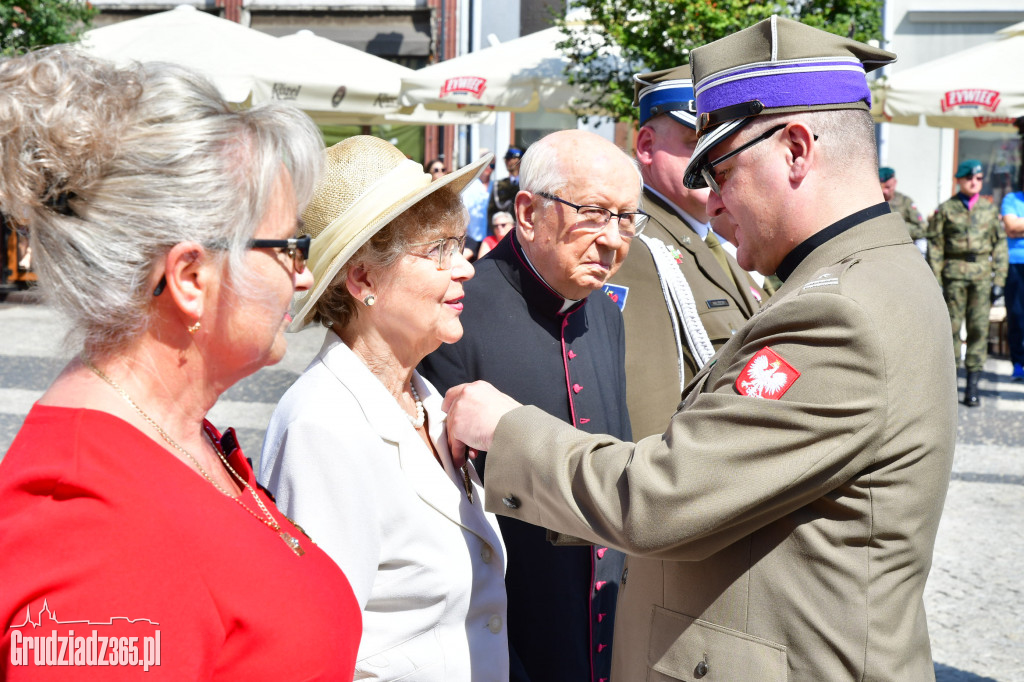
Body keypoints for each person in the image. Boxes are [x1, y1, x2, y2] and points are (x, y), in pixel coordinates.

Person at [441, 16, 957, 682]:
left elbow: (662, 498)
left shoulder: (838, 311)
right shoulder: (871, 275)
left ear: (796, 149)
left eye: (721, 170)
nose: (708, 204)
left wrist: (503, 431)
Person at [0, 47, 360, 679]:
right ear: (192, 275)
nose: (302, 279)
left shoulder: (174, 434)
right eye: (291, 247)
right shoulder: (88, 525)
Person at [259, 136, 507, 682]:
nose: (465, 267)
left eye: (461, 245)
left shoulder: (427, 401)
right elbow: (313, 647)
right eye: (440, 249)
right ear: (364, 279)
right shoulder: (322, 427)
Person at [421, 129, 642, 682]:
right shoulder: (458, 313)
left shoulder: (605, 313)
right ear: (526, 211)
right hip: (503, 638)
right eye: (593, 213)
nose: (613, 239)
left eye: (628, 218)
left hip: (601, 629)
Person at [604, 70, 766, 439]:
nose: (712, 158)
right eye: (696, 141)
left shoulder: (706, 241)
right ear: (645, 146)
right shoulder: (636, 248)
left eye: (722, 142)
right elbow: (648, 412)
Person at [929, 159, 1008, 406]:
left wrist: (1000, 279)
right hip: (954, 275)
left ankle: (971, 387)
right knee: (951, 329)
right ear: (960, 180)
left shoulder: (989, 210)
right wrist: (935, 279)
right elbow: (936, 246)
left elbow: (1000, 244)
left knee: (978, 329)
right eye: (970, 178)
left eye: (979, 178)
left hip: (982, 276)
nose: (975, 182)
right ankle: (949, 388)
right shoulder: (946, 209)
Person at [1000, 179, 1024, 379]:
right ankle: (1017, 363)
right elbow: (1011, 227)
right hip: (1016, 263)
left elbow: (1017, 227)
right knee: (1016, 315)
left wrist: (1019, 225)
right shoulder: (1011, 199)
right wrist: (1015, 227)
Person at [879, 166, 928, 255]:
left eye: (887, 187)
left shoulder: (906, 202)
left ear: (895, 183)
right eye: (881, 187)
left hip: (902, 252)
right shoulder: (872, 202)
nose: (884, 191)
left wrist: (898, 228)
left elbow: (922, 228)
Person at [463, 151, 495, 258]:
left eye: (492, 165)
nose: (489, 168)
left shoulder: (495, 186)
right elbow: (464, 211)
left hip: (490, 237)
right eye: (486, 164)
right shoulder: (470, 186)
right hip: (471, 237)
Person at [488, 146, 522, 224]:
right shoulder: (498, 185)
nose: (507, 161)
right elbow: (491, 212)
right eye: (507, 158)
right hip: (503, 231)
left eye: (512, 158)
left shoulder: (527, 184)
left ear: (520, 160)